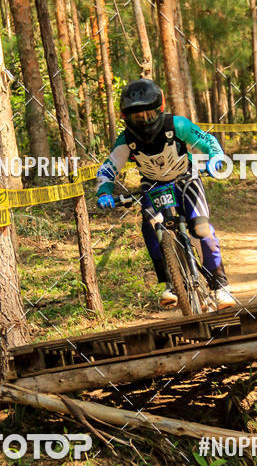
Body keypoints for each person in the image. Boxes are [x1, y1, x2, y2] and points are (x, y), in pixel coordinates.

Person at [96, 78, 235, 309]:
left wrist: (215, 158)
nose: (143, 121)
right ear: (126, 118)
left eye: (149, 115)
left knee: (201, 229)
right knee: (151, 229)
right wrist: (104, 192)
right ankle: (171, 283)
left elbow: (208, 141)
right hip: (152, 186)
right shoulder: (126, 140)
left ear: (160, 109)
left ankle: (220, 287)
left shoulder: (177, 125)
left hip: (186, 181)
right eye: (137, 117)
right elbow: (108, 169)